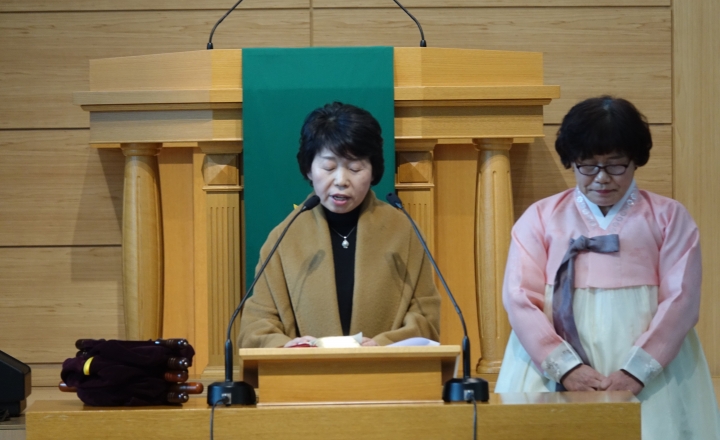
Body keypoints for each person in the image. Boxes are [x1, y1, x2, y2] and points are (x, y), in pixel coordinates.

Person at [495, 96, 720, 439]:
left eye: (616, 165)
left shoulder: (669, 218)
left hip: (651, 372)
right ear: (571, 161)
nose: (601, 178)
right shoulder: (541, 217)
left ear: (635, 160)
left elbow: (681, 301)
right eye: (588, 165)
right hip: (551, 369)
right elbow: (518, 298)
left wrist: (636, 372)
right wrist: (565, 368)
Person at [238, 102, 440, 348]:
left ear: (373, 171)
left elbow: (426, 318)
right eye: (329, 167)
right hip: (305, 371)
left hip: (384, 369)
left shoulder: (403, 231)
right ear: (309, 169)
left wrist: (382, 345)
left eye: (355, 168)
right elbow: (255, 326)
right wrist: (290, 347)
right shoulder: (284, 237)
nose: (341, 180)